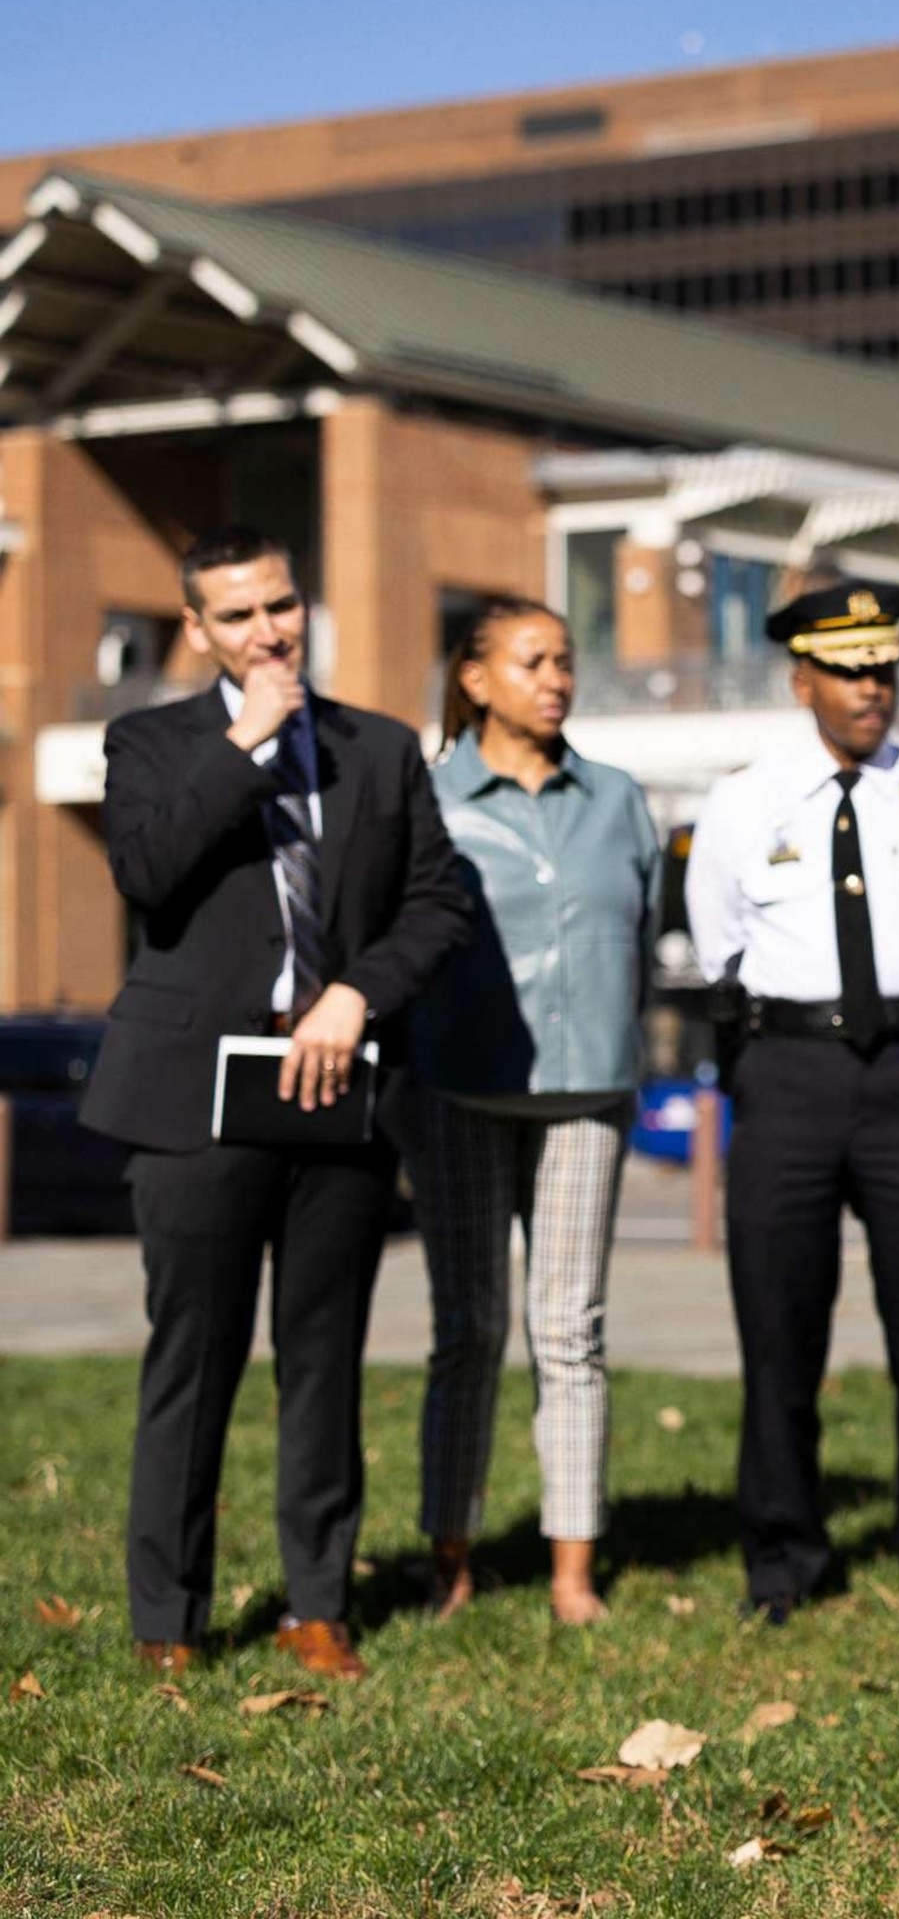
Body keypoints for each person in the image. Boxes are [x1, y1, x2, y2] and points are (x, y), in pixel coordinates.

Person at [85, 526, 473, 1679]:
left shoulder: (380, 746)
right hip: (192, 1097)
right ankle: (172, 1618)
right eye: (240, 614)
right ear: (197, 626)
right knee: (191, 1359)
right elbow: (149, 873)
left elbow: (437, 902)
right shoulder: (151, 740)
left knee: (323, 1355)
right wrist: (246, 740)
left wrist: (358, 990)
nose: (269, 631)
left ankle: (318, 1603)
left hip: (331, 1087)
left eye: (282, 606)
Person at [683, 577, 899, 1624]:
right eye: (847, 668)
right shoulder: (742, 798)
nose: (871, 686)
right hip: (787, 1074)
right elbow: (716, 943)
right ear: (801, 678)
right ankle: (782, 1560)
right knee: (779, 1333)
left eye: (884, 667)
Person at [411, 598, 660, 1627]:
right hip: (460, 1089)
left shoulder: (617, 798)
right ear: (474, 679)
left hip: (588, 1092)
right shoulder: (426, 798)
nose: (557, 677)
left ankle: (572, 1572)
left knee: (572, 1329)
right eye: (532, 660)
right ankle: (452, 1553)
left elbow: (645, 933)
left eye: (565, 659)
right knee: (469, 1327)